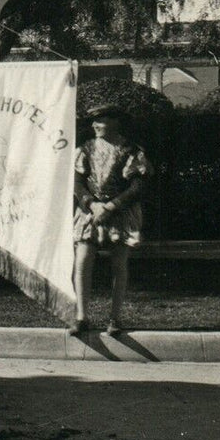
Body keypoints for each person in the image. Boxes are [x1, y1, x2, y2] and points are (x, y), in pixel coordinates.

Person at [71, 103, 150, 335]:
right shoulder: (85, 149)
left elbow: (138, 185)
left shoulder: (131, 151)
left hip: (121, 212)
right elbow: (77, 182)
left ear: (116, 123)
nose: (96, 125)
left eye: (102, 121)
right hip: (91, 213)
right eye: (95, 121)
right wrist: (91, 203)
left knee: (119, 263)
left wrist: (113, 205)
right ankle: (81, 317)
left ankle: (115, 319)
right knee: (83, 259)